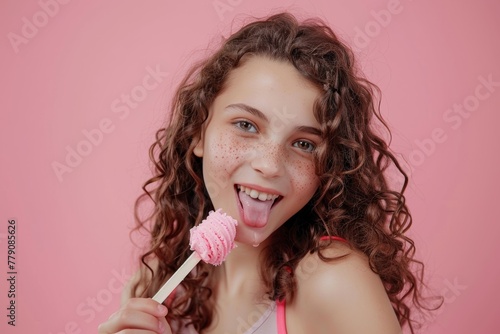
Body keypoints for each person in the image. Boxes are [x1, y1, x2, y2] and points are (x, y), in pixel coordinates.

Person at [98, 12, 438, 334]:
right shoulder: (156, 287)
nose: (270, 164)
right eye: (246, 125)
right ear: (198, 133)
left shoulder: (334, 282)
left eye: (304, 144)